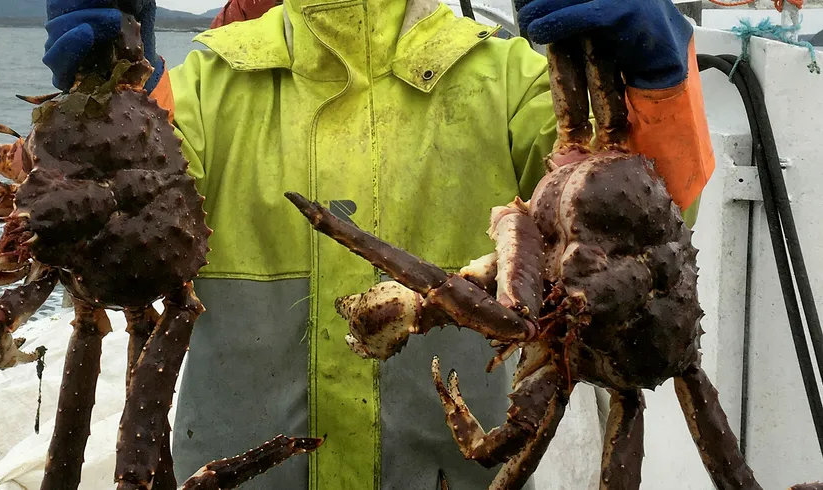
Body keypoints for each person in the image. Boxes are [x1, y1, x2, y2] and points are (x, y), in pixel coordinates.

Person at [41, 0, 713, 488]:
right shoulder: (199, 92)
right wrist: (104, 88)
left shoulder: (512, 81)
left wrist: (657, 83)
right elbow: (106, 240)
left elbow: (644, 234)